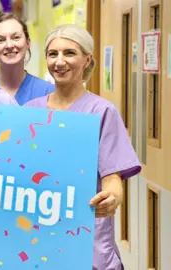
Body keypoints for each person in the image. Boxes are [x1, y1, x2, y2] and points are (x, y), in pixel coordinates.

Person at [24, 24, 141, 270]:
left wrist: (113, 198)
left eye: (69, 53)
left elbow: (112, 177)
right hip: (38, 232)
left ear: (87, 59)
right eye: (52, 54)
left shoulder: (101, 111)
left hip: (87, 236)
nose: (59, 61)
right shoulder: (30, 111)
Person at [0, 12, 54, 105]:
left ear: (28, 43)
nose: (9, 45)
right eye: (0, 40)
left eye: (16, 37)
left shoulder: (48, 92)